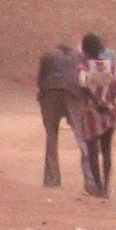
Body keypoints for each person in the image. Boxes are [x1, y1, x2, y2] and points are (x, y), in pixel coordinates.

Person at [72, 33, 116, 199]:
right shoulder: (110, 67)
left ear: (85, 50)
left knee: (92, 151)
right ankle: (106, 187)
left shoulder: (83, 68)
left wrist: (94, 99)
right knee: (107, 150)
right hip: (109, 111)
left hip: (91, 113)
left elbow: (81, 86)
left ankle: (99, 186)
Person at [36, 42, 83, 187]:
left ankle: (52, 180)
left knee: (51, 137)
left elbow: (40, 80)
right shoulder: (79, 57)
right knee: (81, 136)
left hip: (50, 92)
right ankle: (91, 179)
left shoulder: (47, 56)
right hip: (72, 92)